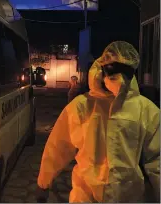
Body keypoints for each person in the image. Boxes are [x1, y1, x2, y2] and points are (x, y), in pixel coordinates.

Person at [35, 41, 160, 203]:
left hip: (128, 197)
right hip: (85, 196)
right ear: (101, 69)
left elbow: (157, 159)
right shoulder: (81, 107)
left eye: (125, 72)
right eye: (113, 70)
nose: (119, 78)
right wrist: (44, 182)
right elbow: (58, 146)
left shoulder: (146, 110)